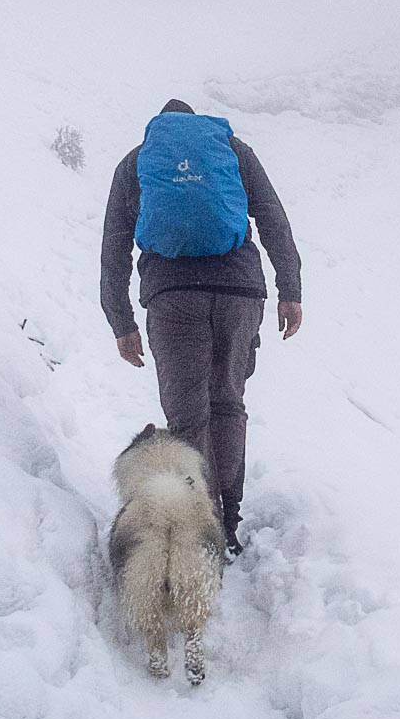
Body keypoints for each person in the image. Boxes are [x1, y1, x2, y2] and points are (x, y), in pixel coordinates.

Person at [100, 99, 302, 556]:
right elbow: (273, 218)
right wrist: (290, 288)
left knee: (188, 418)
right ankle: (227, 524)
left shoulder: (135, 164)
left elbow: (114, 247)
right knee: (229, 405)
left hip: (172, 298)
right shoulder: (234, 150)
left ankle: (199, 527)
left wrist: (121, 321)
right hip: (239, 294)